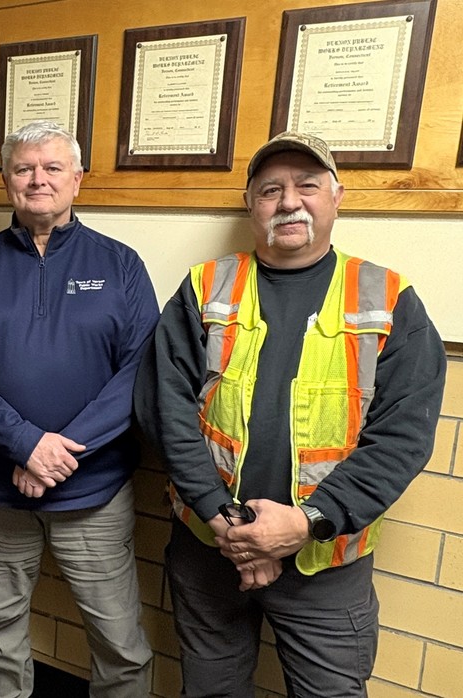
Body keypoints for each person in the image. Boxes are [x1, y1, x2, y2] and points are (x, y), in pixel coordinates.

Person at [133, 131, 447, 697]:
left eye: (307, 186)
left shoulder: (389, 298)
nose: (289, 201)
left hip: (326, 564)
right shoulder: (205, 286)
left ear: (336, 196)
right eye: (271, 190)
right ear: (252, 204)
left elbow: (402, 439)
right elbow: (165, 408)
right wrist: (221, 519)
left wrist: (304, 524)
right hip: (209, 550)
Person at [0, 120, 158, 698]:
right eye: (24, 169)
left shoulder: (120, 264)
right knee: (0, 632)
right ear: (6, 180)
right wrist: (25, 443)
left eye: (53, 168)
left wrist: (55, 453)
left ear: (77, 179)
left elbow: (139, 372)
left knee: (119, 642)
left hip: (93, 491)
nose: (38, 180)